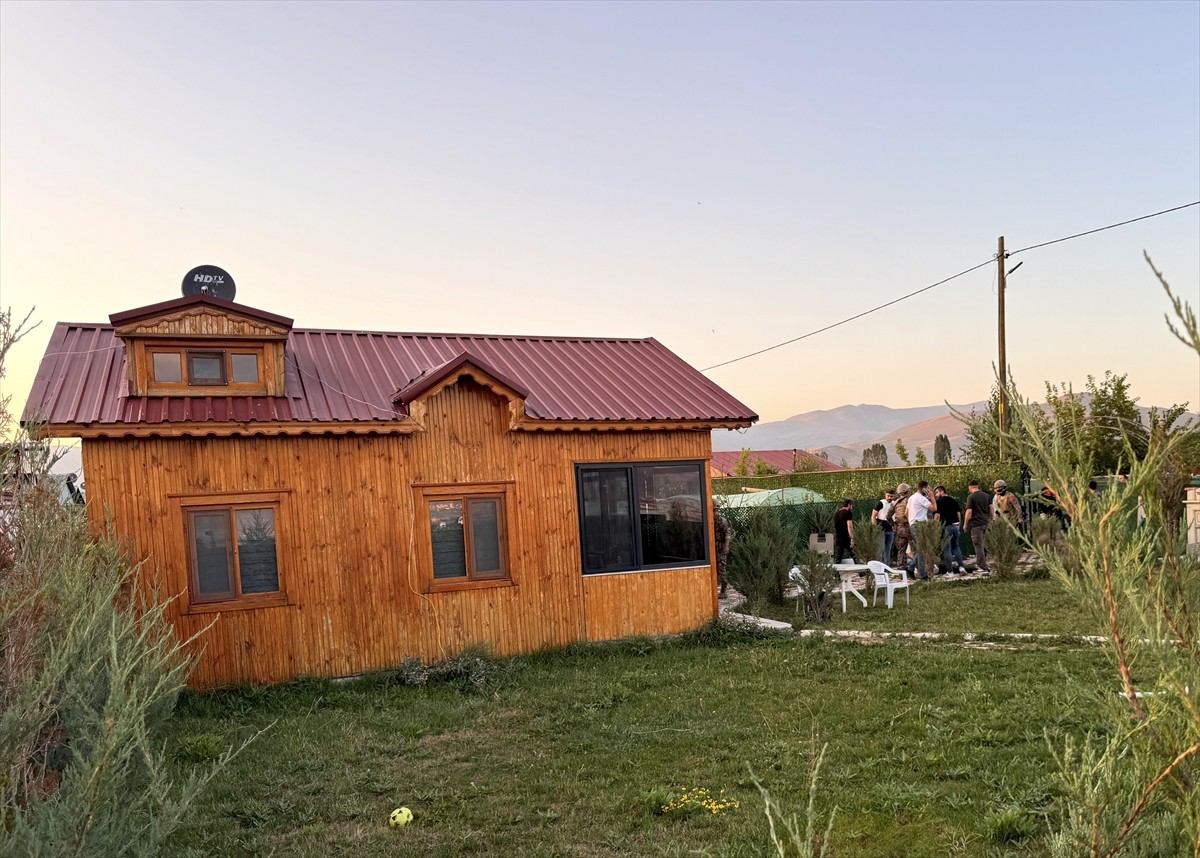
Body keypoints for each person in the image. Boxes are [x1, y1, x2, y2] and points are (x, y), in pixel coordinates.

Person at [907, 481, 936, 579]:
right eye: (927, 488)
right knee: (923, 549)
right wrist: (932, 497)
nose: (928, 490)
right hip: (919, 524)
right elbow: (934, 508)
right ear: (923, 488)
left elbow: (906, 513)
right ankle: (923, 574)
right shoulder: (920, 498)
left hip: (913, 523)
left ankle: (910, 568)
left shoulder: (911, 498)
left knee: (921, 549)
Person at [962, 479, 992, 572]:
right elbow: (991, 509)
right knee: (984, 544)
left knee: (978, 545)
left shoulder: (971, 497)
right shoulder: (986, 496)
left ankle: (982, 566)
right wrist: (991, 519)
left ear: (970, 487)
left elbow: (969, 512)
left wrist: (965, 524)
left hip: (976, 524)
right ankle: (984, 562)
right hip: (985, 523)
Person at [934, 485, 963, 574]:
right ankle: (961, 567)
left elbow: (937, 516)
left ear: (942, 491)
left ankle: (950, 571)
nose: (936, 495)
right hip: (956, 526)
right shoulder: (954, 501)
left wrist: (935, 529)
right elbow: (958, 515)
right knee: (956, 546)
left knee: (947, 548)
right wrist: (959, 526)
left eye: (937, 492)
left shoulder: (939, 502)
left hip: (946, 526)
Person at [713, 500, 734, 598]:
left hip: (720, 548)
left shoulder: (721, 520)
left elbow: (727, 533)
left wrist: (726, 546)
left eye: (715, 510)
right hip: (713, 548)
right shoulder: (710, 520)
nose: (714, 513)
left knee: (721, 569)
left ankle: (723, 591)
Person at [891, 484, 913, 574]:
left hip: (899, 528)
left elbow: (888, 516)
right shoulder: (909, 500)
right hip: (909, 527)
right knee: (915, 548)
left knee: (901, 550)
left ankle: (901, 570)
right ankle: (916, 568)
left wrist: (894, 525)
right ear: (907, 491)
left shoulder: (895, 502)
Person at [872, 489, 895, 564]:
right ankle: (879, 565)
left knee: (888, 549)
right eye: (888, 496)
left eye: (891, 496)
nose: (889, 498)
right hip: (881, 528)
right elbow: (873, 516)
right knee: (880, 548)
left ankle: (886, 566)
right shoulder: (881, 503)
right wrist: (875, 528)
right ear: (885, 495)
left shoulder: (894, 504)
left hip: (890, 528)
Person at [833, 498, 854, 563]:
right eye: (852, 505)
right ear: (849, 505)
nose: (852, 507)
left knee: (838, 557)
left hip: (839, 537)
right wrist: (852, 538)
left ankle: (836, 572)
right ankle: (862, 571)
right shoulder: (848, 513)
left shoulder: (837, 513)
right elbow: (849, 526)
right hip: (846, 537)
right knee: (855, 554)